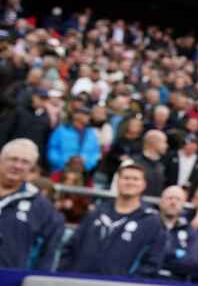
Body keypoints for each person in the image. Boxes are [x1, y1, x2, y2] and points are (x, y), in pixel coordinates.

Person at [60, 159, 166, 276]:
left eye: (135, 179)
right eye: (126, 178)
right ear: (117, 181)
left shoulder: (151, 221)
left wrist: (130, 282)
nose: (130, 182)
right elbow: (72, 246)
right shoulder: (97, 212)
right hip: (81, 280)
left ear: (144, 185)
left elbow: (152, 262)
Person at [0, 139, 64, 270]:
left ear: (31, 167)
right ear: (1, 160)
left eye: (25, 162)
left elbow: (48, 253)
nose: (17, 166)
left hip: (10, 278)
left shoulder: (42, 208)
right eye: (13, 159)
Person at [156, 184, 198, 281]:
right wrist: (175, 253)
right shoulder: (147, 225)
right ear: (160, 201)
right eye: (169, 198)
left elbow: (191, 263)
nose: (173, 202)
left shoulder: (190, 231)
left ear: (183, 204)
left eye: (178, 199)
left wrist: (160, 257)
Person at [46, 104, 99, 173]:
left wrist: (87, 165)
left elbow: (95, 153)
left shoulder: (91, 133)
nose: (85, 117)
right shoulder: (61, 130)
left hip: (82, 173)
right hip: (61, 171)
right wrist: (63, 163)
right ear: (75, 115)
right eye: (82, 113)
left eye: (87, 115)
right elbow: (52, 149)